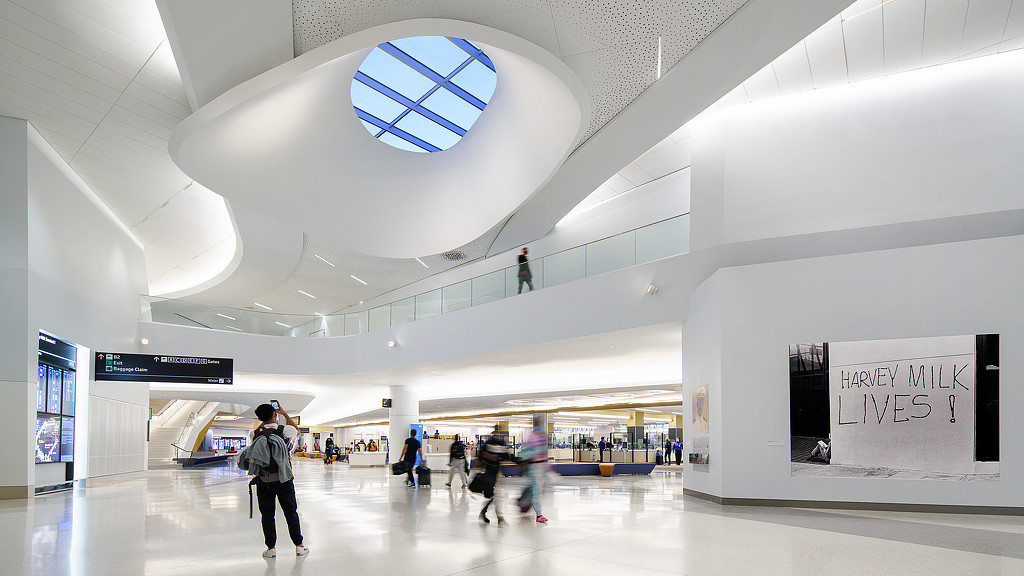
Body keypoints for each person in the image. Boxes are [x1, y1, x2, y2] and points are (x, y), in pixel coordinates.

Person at [238, 403, 309, 559]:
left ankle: (271, 549)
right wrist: (284, 413)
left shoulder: (254, 435)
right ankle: (299, 546)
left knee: (267, 515)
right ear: (276, 415)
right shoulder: (286, 431)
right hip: (284, 480)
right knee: (291, 513)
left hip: (263, 480)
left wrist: (265, 421)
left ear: (259, 418)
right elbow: (297, 430)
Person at [469, 427, 512, 526]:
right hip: (488, 474)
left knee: (493, 496)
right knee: (494, 496)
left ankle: (486, 514)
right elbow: (482, 456)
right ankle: (498, 518)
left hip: (493, 474)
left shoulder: (493, 443)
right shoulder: (494, 443)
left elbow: (505, 456)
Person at [517, 426, 550, 523]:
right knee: (537, 491)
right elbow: (532, 453)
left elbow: (527, 453)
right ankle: (539, 514)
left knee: (535, 488)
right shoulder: (535, 438)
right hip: (536, 467)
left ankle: (524, 502)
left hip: (537, 467)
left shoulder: (534, 437)